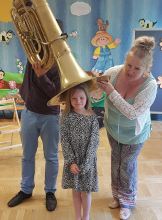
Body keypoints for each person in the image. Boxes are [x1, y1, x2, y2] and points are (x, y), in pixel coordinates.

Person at [97, 36, 157, 220]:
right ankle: (117, 196)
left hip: (134, 133)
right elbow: (97, 92)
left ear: (146, 69)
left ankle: (128, 202)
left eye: (137, 68)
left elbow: (132, 113)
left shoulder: (150, 86)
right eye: (128, 65)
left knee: (127, 165)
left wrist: (111, 92)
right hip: (113, 128)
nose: (130, 71)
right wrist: (86, 87)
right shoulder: (114, 72)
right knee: (116, 161)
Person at [7, 60, 61, 212]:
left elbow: (55, 93)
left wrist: (42, 76)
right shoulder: (33, 57)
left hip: (50, 116)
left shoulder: (60, 62)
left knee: (51, 156)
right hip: (29, 113)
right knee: (27, 156)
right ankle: (26, 190)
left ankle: (50, 192)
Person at [60, 83, 100, 220]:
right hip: (74, 162)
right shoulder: (66, 118)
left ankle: (86, 217)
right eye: (74, 98)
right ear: (69, 101)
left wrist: (88, 162)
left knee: (86, 191)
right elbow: (64, 141)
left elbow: (94, 141)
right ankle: (78, 217)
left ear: (87, 98)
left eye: (81, 98)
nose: (78, 101)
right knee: (76, 190)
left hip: (88, 161)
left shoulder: (92, 117)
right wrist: (71, 162)